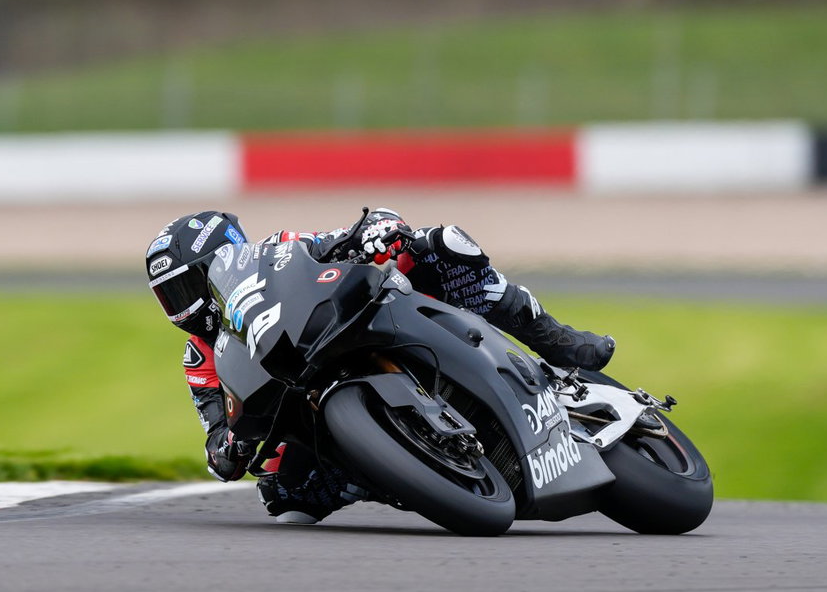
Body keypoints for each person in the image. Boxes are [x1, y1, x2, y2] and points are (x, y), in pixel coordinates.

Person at [144, 208, 615, 524]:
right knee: (283, 498)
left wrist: (377, 232)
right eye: (170, 298)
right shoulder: (200, 359)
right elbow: (213, 438)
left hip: (359, 318)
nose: (181, 309)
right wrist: (228, 446)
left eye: (185, 290)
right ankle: (401, 472)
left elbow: (344, 237)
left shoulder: (279, 250)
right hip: (305, 400)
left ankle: (554, 337)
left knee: (441, 247)